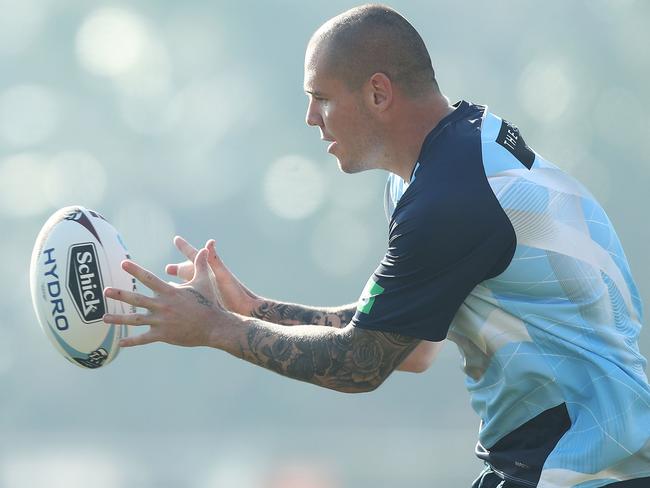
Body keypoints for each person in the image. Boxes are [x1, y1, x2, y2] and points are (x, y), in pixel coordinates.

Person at [102, 4, 650, 487]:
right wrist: (252, 310)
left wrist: (215, 329)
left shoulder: (451, 196)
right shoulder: (434, 169)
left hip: (586, 466)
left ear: (378, 93)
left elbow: (360, 364)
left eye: (321, 99)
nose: (310, 119)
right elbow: (405, 344)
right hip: (563, 461)